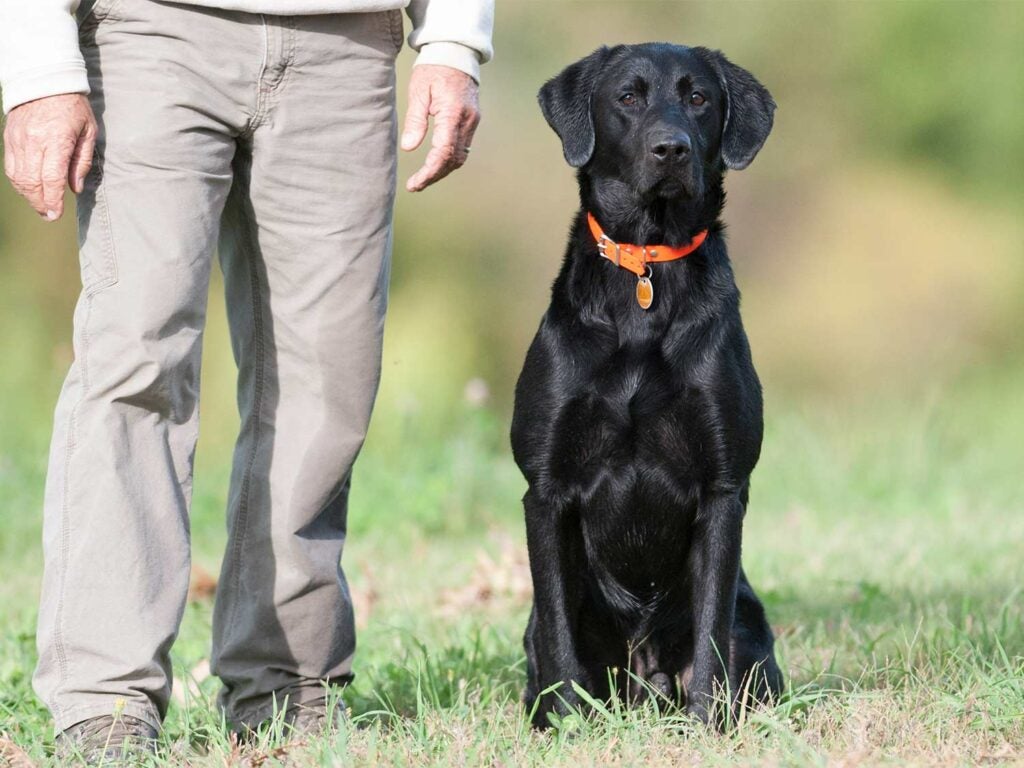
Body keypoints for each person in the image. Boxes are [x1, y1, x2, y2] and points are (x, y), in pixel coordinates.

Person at [0, 0, 493, 759]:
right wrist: (37, 68)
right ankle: (105, 701)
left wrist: (455, 39)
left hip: (347, 41)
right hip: (150, 30)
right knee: (136, 359)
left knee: (329, 377)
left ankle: (286, 687)